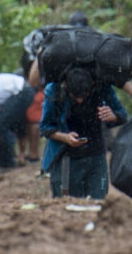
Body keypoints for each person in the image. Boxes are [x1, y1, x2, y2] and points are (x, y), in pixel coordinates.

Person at [24, 10, 132, 107]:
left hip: (91, 105)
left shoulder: (94, 55)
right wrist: (41, 54)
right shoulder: (61, 55)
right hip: (64, 105)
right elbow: (34, 82)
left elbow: (117, 76)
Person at [40, 66, 127, 198]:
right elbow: (45, 127)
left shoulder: (103, 88)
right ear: (66, 86)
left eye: (84, 96)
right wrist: (65, 137)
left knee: (100, 198)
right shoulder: (54, 91)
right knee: (66, 201)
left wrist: (113, 116)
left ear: (92, 85)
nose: (80, 100)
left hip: (96, 155)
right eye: (75, 97)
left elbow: (122, 114)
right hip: (66, 156)